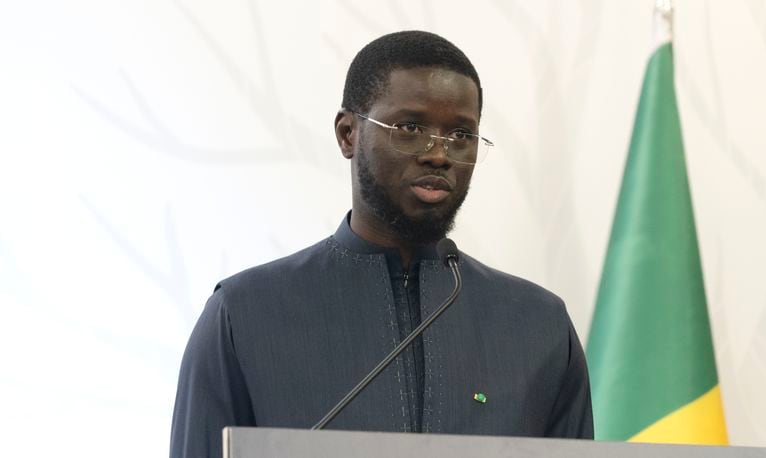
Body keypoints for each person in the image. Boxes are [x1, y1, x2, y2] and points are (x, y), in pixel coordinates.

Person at [170, 30, 593, 458]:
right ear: (347, 134)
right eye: (410, 127)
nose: (439, 154)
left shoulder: (540, 327)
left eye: (461, 135)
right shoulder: (244, 315)